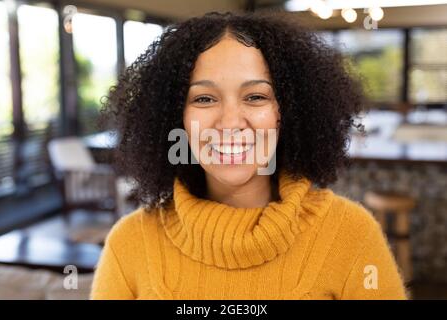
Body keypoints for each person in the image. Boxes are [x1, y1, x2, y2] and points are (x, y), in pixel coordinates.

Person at [91, 11, 408, 300]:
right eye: (204, 98)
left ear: (289, 112)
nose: (230, 122)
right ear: (176, 117)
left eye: (255, 97)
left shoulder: (350, 236)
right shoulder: (129, 246)